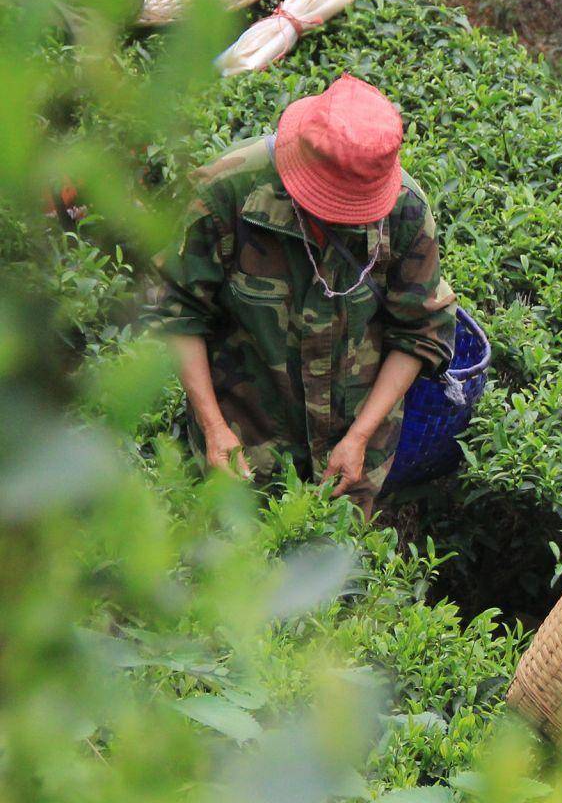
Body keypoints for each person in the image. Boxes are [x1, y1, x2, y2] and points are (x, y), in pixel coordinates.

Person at [145, 74, 457, 515]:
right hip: (244, 438)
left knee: (334, 566)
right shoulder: (228, 190)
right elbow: (177, 310)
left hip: (354, 448)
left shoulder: (405, 210)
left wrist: (360, 437)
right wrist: (214, 427)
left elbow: (421, 331)